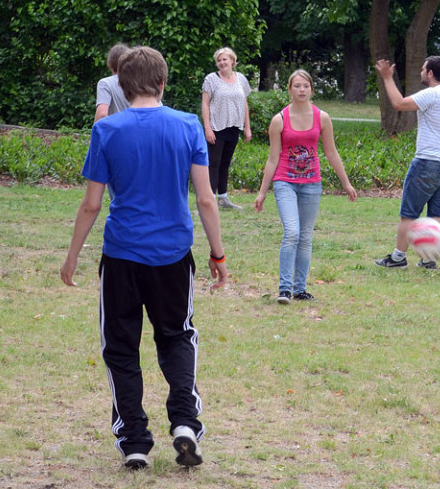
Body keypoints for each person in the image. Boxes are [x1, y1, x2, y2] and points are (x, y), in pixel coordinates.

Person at [60, 46, 228, 470]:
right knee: (176, 336)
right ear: (163, 82)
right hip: (173, 255)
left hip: (121, 257)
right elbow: (207, 199)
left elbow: (91, 205)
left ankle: (135, 440)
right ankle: (185, 423)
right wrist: (218, 253)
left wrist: (72, 257)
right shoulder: (188, 125)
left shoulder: (107, 130)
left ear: (121, 84)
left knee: (121, 347)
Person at [254, 69, 358, 304]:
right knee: (292, 232)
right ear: (289, 90)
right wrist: (262, 192)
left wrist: (346, 183)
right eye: (297, 86)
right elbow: (272, 158)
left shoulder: (322, 117)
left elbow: (331, 152)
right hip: (285, 181)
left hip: (312, 183)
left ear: (311, 89)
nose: (302, 90)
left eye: (306, 86)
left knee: (305, 236)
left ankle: (300, 289)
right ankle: (284, 289)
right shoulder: (279, 120)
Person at [374, 56, 440, 270]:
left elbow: (398, 103)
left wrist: (387, 78)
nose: (421, 72)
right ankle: (429, 259)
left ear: (431, 73)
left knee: (409, 212)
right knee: (437, 214)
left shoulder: (431, 94)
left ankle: (397, 258)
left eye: (424, 69)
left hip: (428, 163)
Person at [201, 47, 252, 210]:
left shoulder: (241, 79)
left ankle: (223, 199)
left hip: (234, 126)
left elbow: (244, 103)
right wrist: (207, 128)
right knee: (213, 163)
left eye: (225, 59)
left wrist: (247, 128)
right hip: (217, 127)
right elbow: (205, 104)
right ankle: (209, 200)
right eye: (219, 60)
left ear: (232, 61)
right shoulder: (211, 79)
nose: (222, 62)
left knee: (225, 163)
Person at [94, 43, 131, 123]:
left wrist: (95, 134)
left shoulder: (105, 83)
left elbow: (102, 114)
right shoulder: (140, 82)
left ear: (109, 63)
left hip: (116, 133)